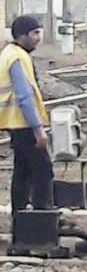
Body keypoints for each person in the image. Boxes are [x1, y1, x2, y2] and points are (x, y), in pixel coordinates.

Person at [0, 16, 52, 218]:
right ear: (22, 35)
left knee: (22, 173)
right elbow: (24, 96)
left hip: (15, 123)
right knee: (42, 170)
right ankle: (41, 220)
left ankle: (20, 220)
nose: (39, 37)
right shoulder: (18, 57)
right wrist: (38, 129)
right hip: (24, 124)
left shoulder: (8, 53)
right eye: (35, 33)